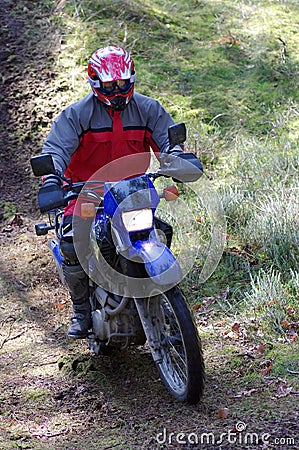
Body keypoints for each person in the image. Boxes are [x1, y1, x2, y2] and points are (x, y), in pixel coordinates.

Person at [39, 45, 202, 339]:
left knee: (161, 230)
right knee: (72, 243)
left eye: (123, 83)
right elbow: (55, 151)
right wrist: (52, 180)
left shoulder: (148, 109)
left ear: (132, 79)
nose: (118, 90)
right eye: (111, 85)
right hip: (86, 195)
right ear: (95, 83)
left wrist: (177, 157)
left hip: (132, 193)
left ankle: (159, 291)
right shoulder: (76, 116)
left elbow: (168, 140)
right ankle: (82, 311)